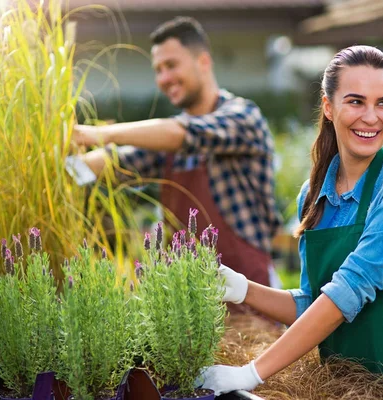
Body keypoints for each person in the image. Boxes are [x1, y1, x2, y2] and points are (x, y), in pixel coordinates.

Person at [201, 45, 383, 398]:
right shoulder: (314, 195)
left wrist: (251, 373)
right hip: (349, 389)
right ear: (328, 107)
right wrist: (245, 289)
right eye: (356, 101)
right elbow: (312, 302)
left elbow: (347, 293)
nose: (372, 117)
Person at [70, 16, 281, 287]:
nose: (164, 78)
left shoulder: (243, 116)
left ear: (203, 62)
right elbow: (116, 161)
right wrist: (68, 166)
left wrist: (98, 133)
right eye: (158, 69)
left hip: (252, 294)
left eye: (171, 65)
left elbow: (184, 133)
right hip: (187, 303)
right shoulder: (165, 142)